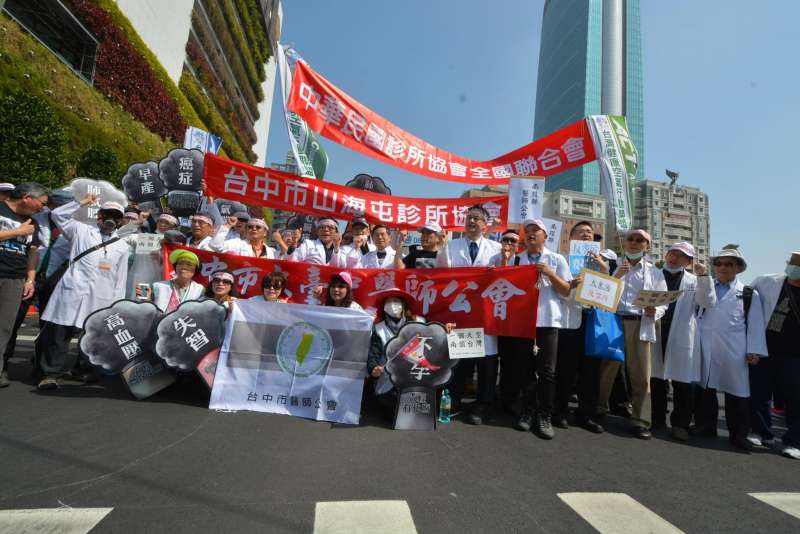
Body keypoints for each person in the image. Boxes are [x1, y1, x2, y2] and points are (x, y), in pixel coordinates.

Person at [36, 195, 129, 390]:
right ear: (99, 216)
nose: (111, 219)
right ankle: (50, 374)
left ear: (121, 220)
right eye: (107, 214)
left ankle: (83, 370)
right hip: (71, 291)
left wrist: (115, 306)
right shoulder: (80, 230)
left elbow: (120, 280)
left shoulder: (122, 246)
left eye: (116, 216)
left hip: (100, 297)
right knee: (59, 334)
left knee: (91, 335)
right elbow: (57, 214)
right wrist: (81, 202)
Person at [500, 220, 571, 439]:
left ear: (545, 236)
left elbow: (567, 290)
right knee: (525, 369)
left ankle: (545, 415)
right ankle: (527, 411)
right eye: (527, 232)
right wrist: (505, 263)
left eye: (535, 231)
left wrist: (550, 273)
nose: (530, 235)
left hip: (547, 322)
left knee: (547, 372)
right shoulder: (516, 259)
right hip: (523, 322)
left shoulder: (557, 259)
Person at [694, 245, 768, 451]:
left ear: (738, 268)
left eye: (729, 264)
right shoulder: (706, 286)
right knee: (706, 389)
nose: (723, 267)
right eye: (718, 263)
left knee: (737, 393)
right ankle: (705, 426)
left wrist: (754, 350)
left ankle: (739, 434)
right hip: (707, 345)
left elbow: (755, 324)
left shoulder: (748, 293)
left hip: (735, 349)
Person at [596, 228, 667, 440]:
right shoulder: (611, 265)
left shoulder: (655, 272)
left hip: (640, 323)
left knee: (641, 375)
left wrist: (655, 311)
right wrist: (617, 276)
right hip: (615, 321)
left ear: (647, 246)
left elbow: (663, 301)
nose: (635, 243)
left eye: (640, 241)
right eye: (631, 239)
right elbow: (600, 294)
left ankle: (640, 420)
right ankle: (598, 409)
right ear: (624, 243)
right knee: (607, 369)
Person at [435, 205, 501, 425]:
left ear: (485, 224)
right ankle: (453, 401)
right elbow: (442, 272)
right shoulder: (452, 245)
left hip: (485, 315)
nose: (471, 222)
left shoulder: (496, 248)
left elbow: (505, 278)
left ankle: (483, 405)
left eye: (476, 218)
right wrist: (443, 247)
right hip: (461, 313)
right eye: (469, 218)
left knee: (486, 363)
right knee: (460, 360)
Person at [649, 242, 715, 441]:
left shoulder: (694, 280)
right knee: (656, 379)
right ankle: (657, 420)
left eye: (681, 255)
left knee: (682, 383)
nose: (674, 258)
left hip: (682, 333)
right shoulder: (653, 274)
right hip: (656, 328)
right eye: (672, 253)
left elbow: (708, 302)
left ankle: (680, 424)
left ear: (688, 261)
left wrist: (704, 277)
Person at [553, 221, 609, 433]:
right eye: (581, 232)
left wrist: (605, 271)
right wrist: (570, 286)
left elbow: (608, 294)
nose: (586, 235)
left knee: (591, 370)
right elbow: (558, 292)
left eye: (589, 232)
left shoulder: (602, 262)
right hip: (570, 319)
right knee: (566, 368)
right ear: (572, 237)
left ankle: (586, 414)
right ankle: (560, 411)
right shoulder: (563, 260)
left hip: (592, 320)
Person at [751, 252, 800, 459]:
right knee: (759, 394)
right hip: (764, 349)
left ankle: (794, 441)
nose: (793, 267)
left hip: (795, 355)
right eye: (792, 263)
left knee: (795, 399)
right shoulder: (767, 282)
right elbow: (747, 303)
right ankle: (761, 432)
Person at [0, 182, 48, 387]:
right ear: (27, 197)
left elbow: (33, 253)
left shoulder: (33, 223)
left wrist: (30, 279)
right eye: (41, 203)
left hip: (15, 279)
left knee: (4, 328)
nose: (43, 208)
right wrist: (16, 231)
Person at [211, 217, 277, 258]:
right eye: (250, 227)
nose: (254, 229)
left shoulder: (271, 251)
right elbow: (215, 245)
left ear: (265, 233)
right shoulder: (237, 243)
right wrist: (228, 225)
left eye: (258, 227)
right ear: (246, 231)